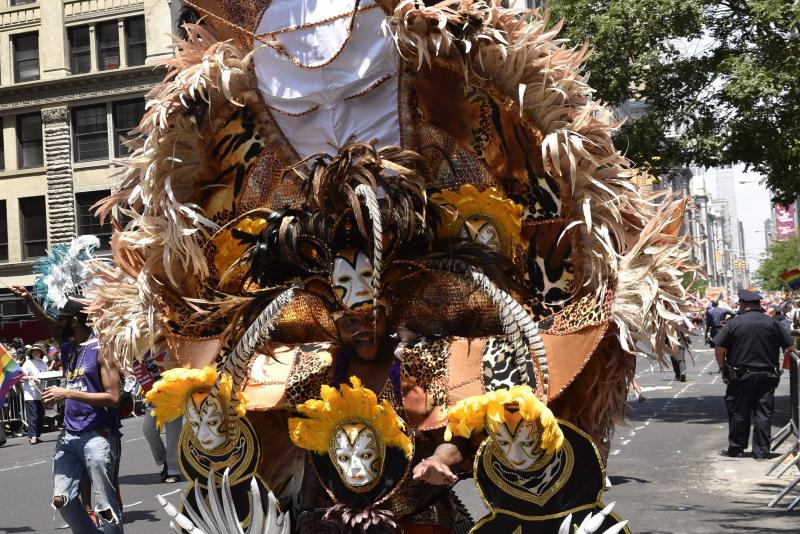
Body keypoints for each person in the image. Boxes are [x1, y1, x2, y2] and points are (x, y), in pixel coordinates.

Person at [11, 286, 124, 533]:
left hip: (98, 435)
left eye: (61, 318)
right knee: (62, 500)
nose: (56, 322)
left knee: (105, 506)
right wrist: (29, 300)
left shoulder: (102, 348)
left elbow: (114, 397)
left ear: (73, 321)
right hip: (69, 435)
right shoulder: (69, 347)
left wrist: (67, 393)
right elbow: (45, 322)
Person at [714, 289, 793, 459]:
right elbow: (790, 347)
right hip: (767, 375)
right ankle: (761, 452)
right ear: (758, 305)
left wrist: (722, 369)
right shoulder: (772, 323)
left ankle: (736, 448)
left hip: (741, 376)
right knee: (763, 413)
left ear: (743, 305)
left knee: (739, 411)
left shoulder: (734, 323)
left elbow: (719, 348)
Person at [22, 342, 49, 444]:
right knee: (32, 415)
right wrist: (29, 377)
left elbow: (46, 376)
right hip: (30, 393)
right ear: (31, 353)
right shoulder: (27, 363)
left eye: (38, 351)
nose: (36, 353)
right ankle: (32, 436)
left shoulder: (43, 364)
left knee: (40, 415)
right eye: (34, 352)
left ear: (40, 353)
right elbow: (21, 377)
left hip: (40, 393)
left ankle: (37, 435)